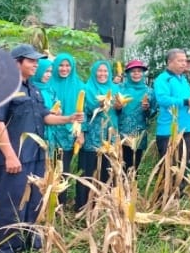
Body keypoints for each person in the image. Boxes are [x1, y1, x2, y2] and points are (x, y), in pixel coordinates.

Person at [0, 44, 84, 253]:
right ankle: (5, 251)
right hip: (13, 158)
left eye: (36, 61)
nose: (36, 64)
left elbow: (45, 117)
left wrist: (69, 118)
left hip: (36, 156)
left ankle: (28, 244)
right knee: (10, 203)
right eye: (31, 60)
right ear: (16, 63)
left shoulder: (34, 88)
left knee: (34, 201)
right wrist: (10, 156)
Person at [76, 59, 121, 211]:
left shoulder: (115, 89)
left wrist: (119, 107)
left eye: (105, 71)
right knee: (89, 169)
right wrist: (81, 133)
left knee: (107, 169)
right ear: (94, 72)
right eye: (99, 71)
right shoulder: (86, 89)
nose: (102, 74)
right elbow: (81, 112)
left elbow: (119, 112)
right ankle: (84, 205)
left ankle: (105, 204)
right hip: (92, 135)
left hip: (110, 134)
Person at [153, 48, 190, 163]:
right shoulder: (163, 79)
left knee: (184, 169)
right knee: (170, 170)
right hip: (170, 131)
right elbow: (163, 100)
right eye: (180, 61)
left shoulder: (183, 80)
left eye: (185, 61)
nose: (184, 63)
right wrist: (185, 102)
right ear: (170, 62)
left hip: (187, 129)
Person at [47, 51, 85, 197]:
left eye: (67, 65)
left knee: (63, 170)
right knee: (48, 169)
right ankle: (44, 204)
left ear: (72, 67)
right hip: (49, 133)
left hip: (69, 133)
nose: (64, 69)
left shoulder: (79, 85)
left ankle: (59, 206)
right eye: (61, 65)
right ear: (55, 67)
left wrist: (81, 132)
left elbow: (84, 111)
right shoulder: (48, 83)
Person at [118, 59, 154, 172]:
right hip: (120, 132)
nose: (136, 74)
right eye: (133, 71)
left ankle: (131, 188)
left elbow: (152, 113)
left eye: (139, 71)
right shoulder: (120, 88)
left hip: (138, 133)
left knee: (134, 166)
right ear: (128, 74)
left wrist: (147, 109)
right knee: (119, 165)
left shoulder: (149, 91)